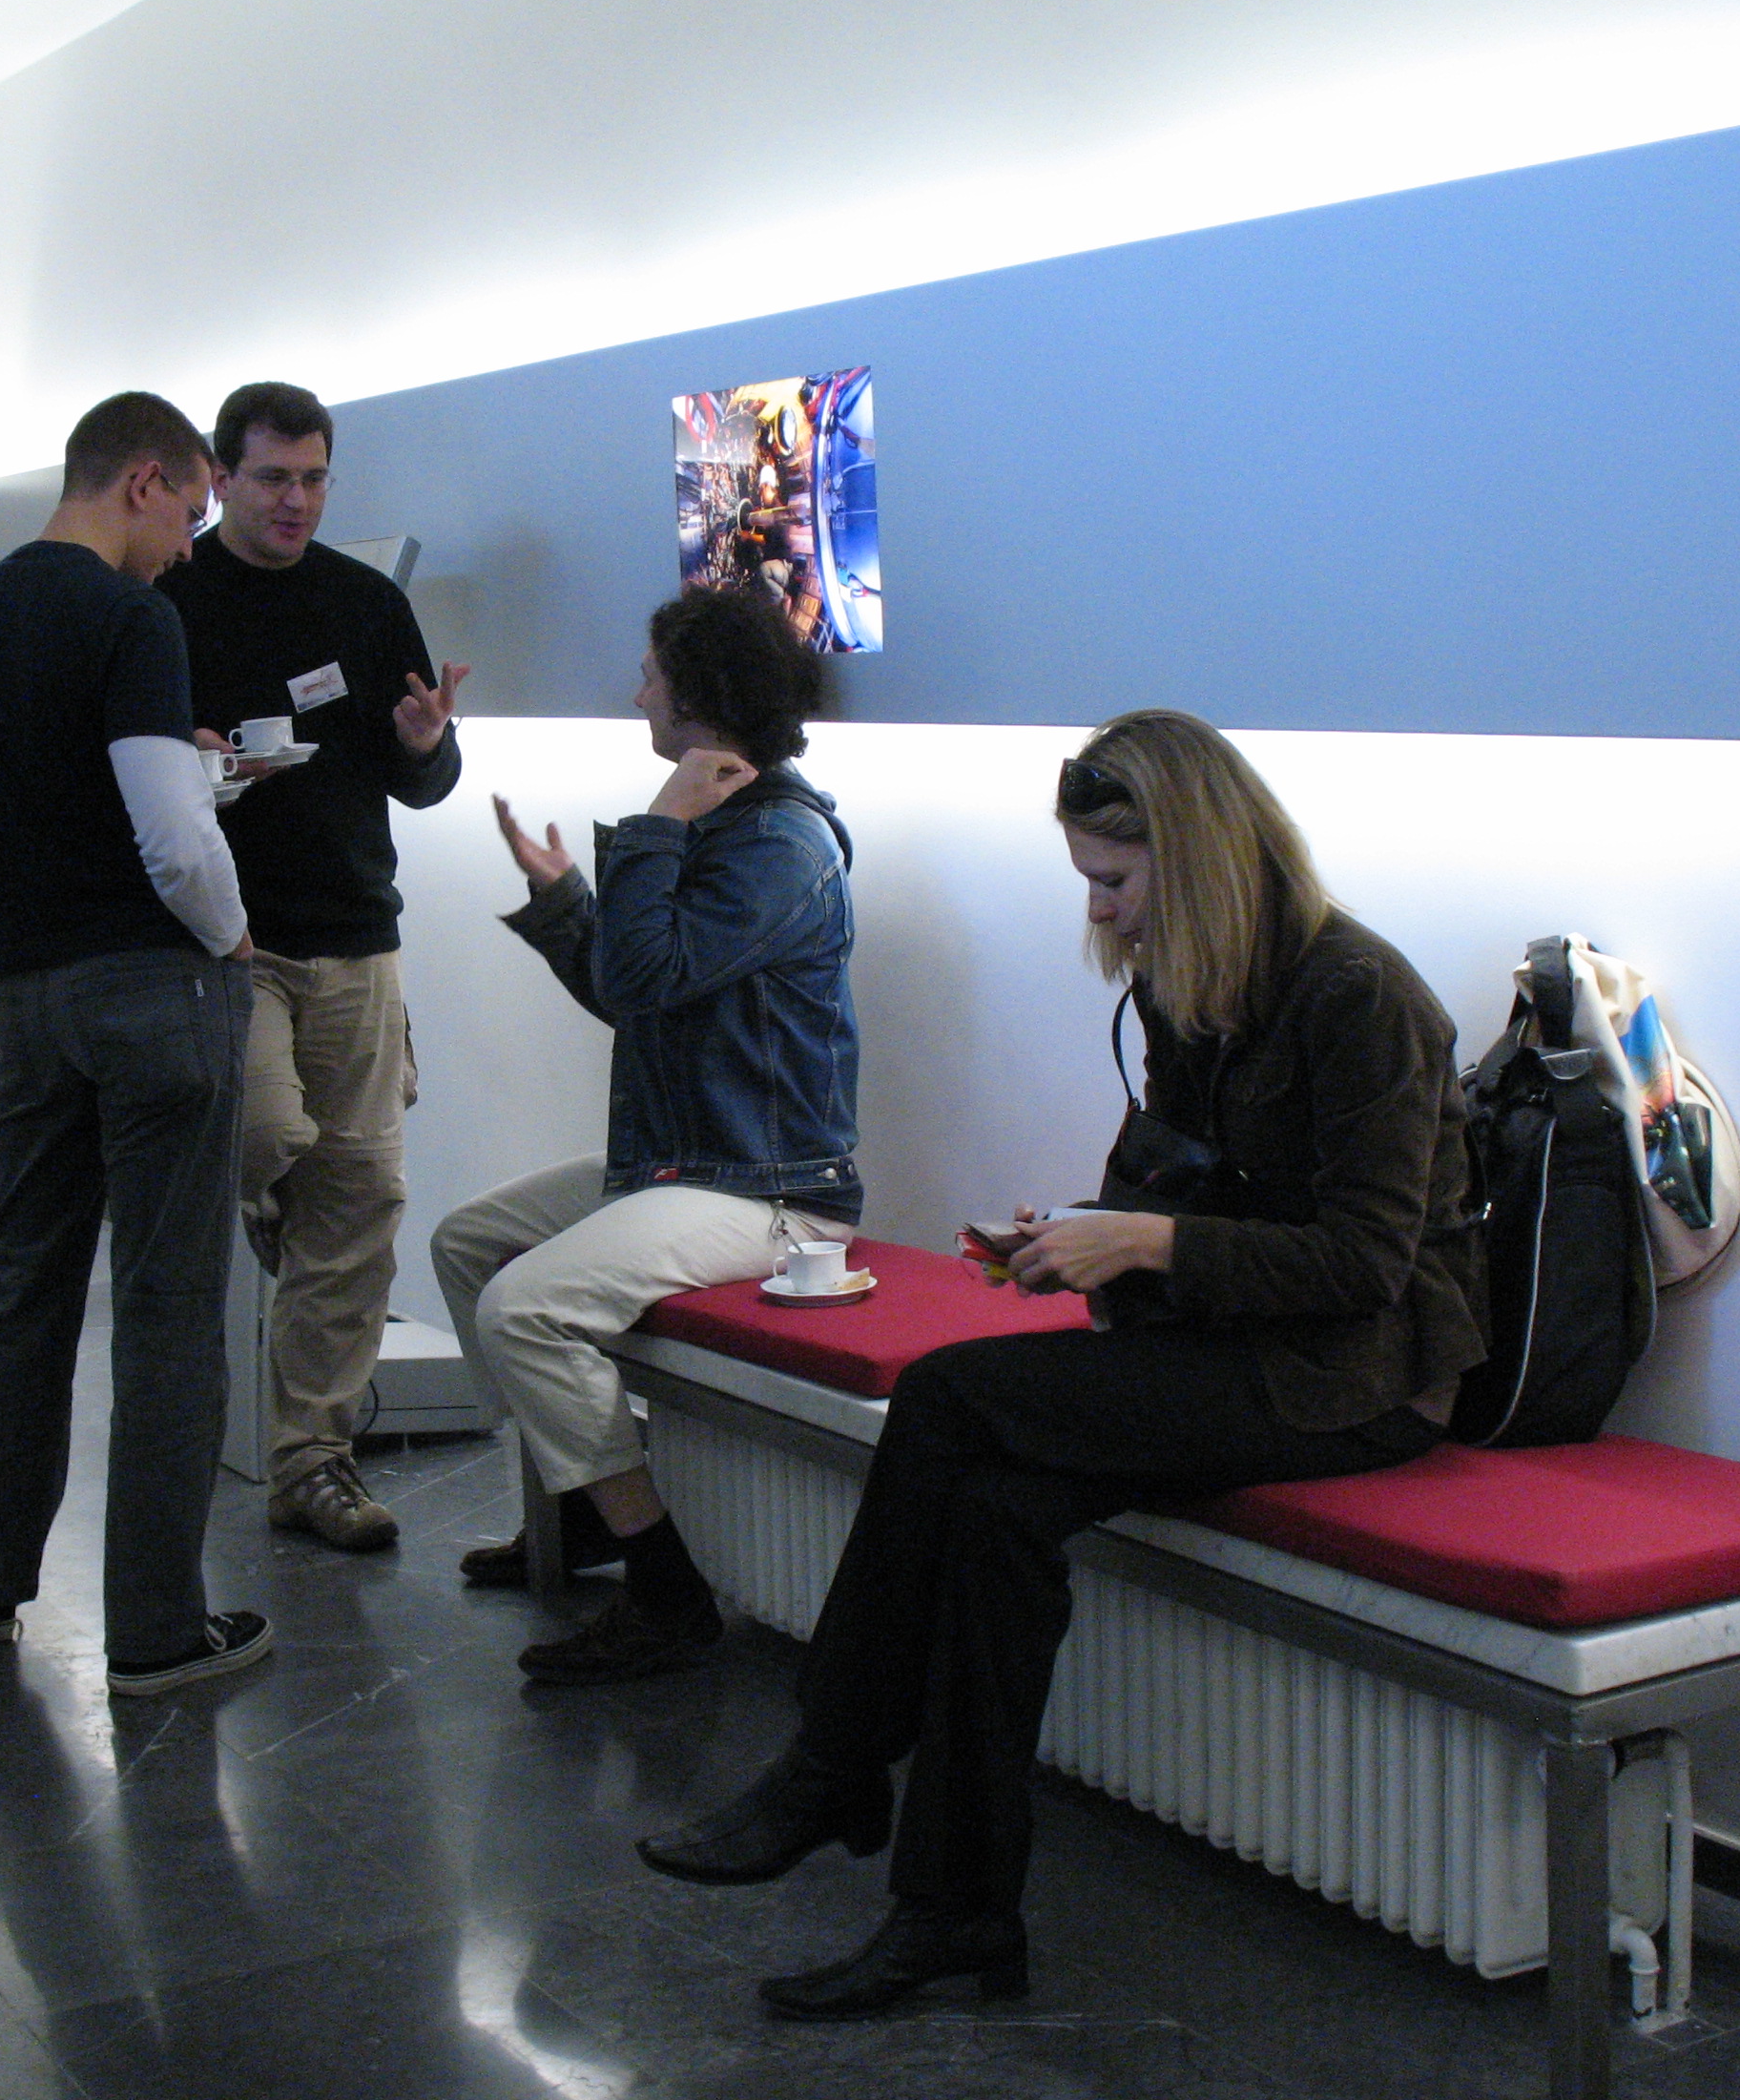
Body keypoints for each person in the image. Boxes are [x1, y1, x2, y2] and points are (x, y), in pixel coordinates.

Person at [636, 709, 1484, 2016]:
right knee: (991, 1515)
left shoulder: (1361, 996)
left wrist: (1141, 1243)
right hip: (1238, 1349)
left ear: (1196, 860)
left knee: (943, 1395)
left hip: (1357, 1383)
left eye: (1115, 879)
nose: (1099, 910)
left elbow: (1363, 1266)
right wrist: (1081, 1241)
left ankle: (833, 1765)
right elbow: (1180, 1188)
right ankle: (956, 1914)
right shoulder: (1196, 989)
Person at [0, 390, 272, 1697]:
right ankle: (156, 1631)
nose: (187, 545)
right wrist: (231, 938)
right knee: (168, 1304)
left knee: (26, 1282)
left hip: (25, 997)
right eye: (192, 512)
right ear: (144, 481)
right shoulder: (131, 618)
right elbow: (172, 841)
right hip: (157, 994)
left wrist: (41, 824)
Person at [433, 589, 860, 1684]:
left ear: (700, 694)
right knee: (470, 1245)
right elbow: (637, 994)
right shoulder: (723, 829)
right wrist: (565, 902)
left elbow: (642, 974)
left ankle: (665, 1590)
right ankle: (583, 1507)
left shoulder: (780, 843)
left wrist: (656, 828)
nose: (637, 696)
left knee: (523, 1308)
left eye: (651, 676)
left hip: (769, 1194)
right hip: (689, 1168)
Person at [156, 382, 468, 1554]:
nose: (297, 499)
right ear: (221, 479)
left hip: (355, 937)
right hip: (223, 942)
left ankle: (312, 1462)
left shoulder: (365, 602)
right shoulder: (167, 602)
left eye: (315, 478)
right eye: (274, 478)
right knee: (267, 1143)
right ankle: (287, 1248)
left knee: (362, 1197)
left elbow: (419, 779)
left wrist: (426, 748)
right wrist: (200, 771)